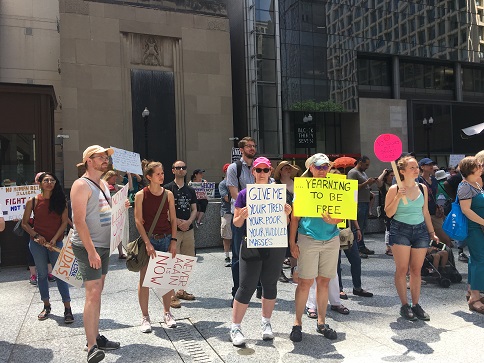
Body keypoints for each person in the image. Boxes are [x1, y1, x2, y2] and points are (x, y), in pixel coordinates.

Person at [229, 157, 292, 346]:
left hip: (275, 244)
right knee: (246, 285)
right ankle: (235, 327)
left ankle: (266, 323)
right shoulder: (244, 194)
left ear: (270, 172)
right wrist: (242, 215)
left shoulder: (280, 193)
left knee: (270, 284)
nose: (262, 173)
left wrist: (287, 214)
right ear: (253, 172)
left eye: (265, 170)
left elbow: (286, 223)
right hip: (253, 243)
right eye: (259, 170)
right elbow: (236, 223)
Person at [70, 145, 121, 363]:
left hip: (103, 246)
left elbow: (102, 211)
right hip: (87, 247)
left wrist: (121, 206)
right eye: (101, 157)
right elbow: (79, 222)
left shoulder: (102, 183)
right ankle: (91, 346)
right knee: (92, 292)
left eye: (106, 157)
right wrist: (91, 252)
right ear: (89, 160)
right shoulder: (81, 185)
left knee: (97, 292)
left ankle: (96, 336)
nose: (105, 160)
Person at [289, 153, 341, 343]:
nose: (322, 170)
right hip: (308, 237)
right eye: (318, 166)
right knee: (304, 282)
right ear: (310, 168)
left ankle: (321, 322)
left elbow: (343, 214)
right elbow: (294, 218)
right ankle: (297, 323)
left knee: (324, 282)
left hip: (331, 238)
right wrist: (292, 243)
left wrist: (335, 219)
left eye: (325, 166)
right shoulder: (302, 189)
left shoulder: (336, 186)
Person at [384, 156, 438, 321]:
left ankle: (416, 304)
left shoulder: (422, 187)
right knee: (402, 269)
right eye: (412, 167)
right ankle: (404, 305)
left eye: (416, 167)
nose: (417, 170)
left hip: (420, 230)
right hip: (400, 230)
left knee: (416, 270)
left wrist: (431, 232)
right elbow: (388, 213)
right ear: (402, 171)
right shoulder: (394, 189)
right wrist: (398, 197)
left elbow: (426, 212)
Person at [20, 172, 72, 323]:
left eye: (52, 180)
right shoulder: (33, 201)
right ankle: (46, 305)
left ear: (55, 183)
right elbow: (24, 223)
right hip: (37, 244)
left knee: (60, 275)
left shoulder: (62, 201)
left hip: (56, 244)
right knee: (42, 275)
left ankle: (67, 308)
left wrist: (55, 240)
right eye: (46, 180)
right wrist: (36, 236)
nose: (49, 182)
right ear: (40, 183)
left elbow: (64, 223)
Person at [135, 160, 178, 332]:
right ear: (149, 177)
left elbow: (173, 219)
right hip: (149, 239)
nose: (162, 176)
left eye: (162, 173)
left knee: (165, 279)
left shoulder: (168, 194)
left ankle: (167, 312)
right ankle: (145, 317)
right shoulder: (140, 195)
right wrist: (147, 243)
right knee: (145, 280)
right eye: (158, 174)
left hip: (166, 238)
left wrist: (174, 241)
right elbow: (138, 221)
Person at [226, 137, 256, 300]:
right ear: (241, 150)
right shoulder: (234, 168)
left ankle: (259, 286)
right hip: (241, 217)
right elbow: (234, 193)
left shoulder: (261, 167)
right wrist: (249, 208)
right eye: (249, 146)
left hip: (259, 219)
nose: (252, 148)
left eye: (253, 146)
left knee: (260, 253)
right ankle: (237, 290)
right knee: (238, 255)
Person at [164, 160, 197, 307]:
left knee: (186, 262)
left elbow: (194, 209)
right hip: (173, 231)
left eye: (183, 167)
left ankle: (181, 291)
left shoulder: (190, 190)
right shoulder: (167, 189)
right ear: (173, 170)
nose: (181, 170)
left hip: (188, 231)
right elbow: (165, 211)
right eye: (178, 168)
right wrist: (177, 222)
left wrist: (189, 222)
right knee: (172, 263)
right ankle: (171, 296)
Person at [456, 156, 484, 314]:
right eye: (479, 166)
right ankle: (475, 298)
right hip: (475, 228)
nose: (481, 167)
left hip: (479, 227)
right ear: (471, 170)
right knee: (480, 260)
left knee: (476, 260)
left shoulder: (476, 184)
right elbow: (466, 210)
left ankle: (472, 292)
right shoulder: (465, 186)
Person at [273, 160, 300, 282]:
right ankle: (278, 270)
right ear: (280, 171)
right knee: (281, 245)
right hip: (280, 219)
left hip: (296, 218)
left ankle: (294, 269)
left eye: (289, 168)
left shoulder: (297, 184)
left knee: (294, 243)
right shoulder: (275, 185)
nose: (288, 170)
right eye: (285, 168)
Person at [418, 158, 452, 247]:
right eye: (428, 165)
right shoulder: (418, 180)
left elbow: (435, 195)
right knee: (427, 241)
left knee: (445, 239)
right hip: (422, 213)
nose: (431, 166)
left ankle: (445, 259)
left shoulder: (434, 179)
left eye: (431, 165)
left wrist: (438, 206)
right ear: (422, 167)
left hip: (434, 211)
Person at [347, 156, 376, 258]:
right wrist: (366, 183)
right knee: (357, 227)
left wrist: (368, 186)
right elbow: (352, 187)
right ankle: (356, 249)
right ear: (360, 162)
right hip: (358, 202)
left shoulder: (362, 172)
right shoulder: (353, 173)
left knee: (362, 226)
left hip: (364, 201)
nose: (367, 167)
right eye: (366, 164)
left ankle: (361, 246)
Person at [102, 170, 126, 259]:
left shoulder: (116, 186)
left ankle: (120, 252)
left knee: (118, 232)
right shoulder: (103, 185)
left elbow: (128, 187)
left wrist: (129, 177)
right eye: (113, 178)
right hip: (106, 212)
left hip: (115, 212)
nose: (115, 180)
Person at [377, 168, 395, 256]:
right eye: (391, 175)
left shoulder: (396, 185)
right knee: (388, 227)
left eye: (394, 176)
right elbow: (378, 181)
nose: (393, 177)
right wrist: (384, 172)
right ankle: (388, 247)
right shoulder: (384, 185)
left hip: (396, 207)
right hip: (386, 208)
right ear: (387, 177)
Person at [219, 163, 232, 267]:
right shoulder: (223, 184)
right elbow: (226, 198)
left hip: (237, 212)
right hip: (227, 213)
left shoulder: (237, 182)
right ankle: (227, 256)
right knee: (227, 236)